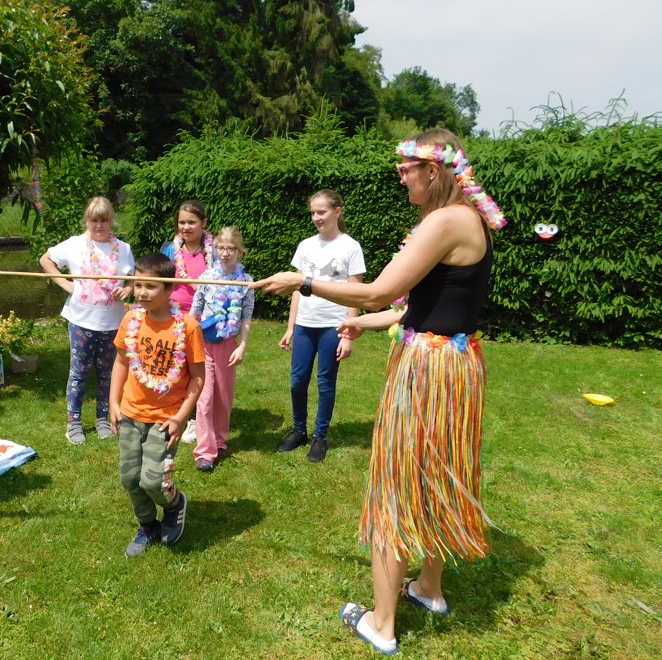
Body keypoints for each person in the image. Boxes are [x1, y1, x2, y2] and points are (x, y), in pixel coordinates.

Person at [255, 129, 506, 655]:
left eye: (406, 168)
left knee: (396, 482)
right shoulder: (467, 219)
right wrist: (365, 324)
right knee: (438, 476)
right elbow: (422, 308)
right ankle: (429, 588)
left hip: (428, 372)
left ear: (433, 169)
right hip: (453, 364)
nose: (400, 176)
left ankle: (382, 623)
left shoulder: (444, 220)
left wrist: (302, 282)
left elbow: (376, 292)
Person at [109, 253, 205, 557]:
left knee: (153, 481)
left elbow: (198, 378)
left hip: (166, 418)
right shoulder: (131, 320)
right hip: (130, 412)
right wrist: (113, 402)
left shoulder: (188, 327)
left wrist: (181, 417)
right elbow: (121, 362)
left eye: (151, 286)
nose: (142, 292)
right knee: (129, 478)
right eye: (138, 285)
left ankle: (174, 505)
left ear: (169, 288)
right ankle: (148, 525)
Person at [277, 190, 365, 463]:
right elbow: (296, 288)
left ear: (337, 212)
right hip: (305, 324)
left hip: (333, 326)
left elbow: (356, 292)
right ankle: (299, 430)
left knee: (325, 382)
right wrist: (291, 327)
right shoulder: (306, 246)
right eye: (313, 212)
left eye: (321, 212)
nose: (316, 217)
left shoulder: (351, 247)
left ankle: (320, 436)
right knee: (297, 381)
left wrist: (348, 334)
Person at [40, 197, 135, 444]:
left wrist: (127, 289)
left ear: (111, 221)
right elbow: (45, 260)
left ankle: (103, 419)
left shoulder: (123, 248)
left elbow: (133, 277)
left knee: (107, 373)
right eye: (94, 220)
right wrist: (65, 284)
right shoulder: (74, 244)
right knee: (78, 373)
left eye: (104, 220)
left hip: (112, 323)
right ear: (87, 221)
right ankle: (73, 422)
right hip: (81, 321)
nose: (99, 225)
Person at [188, 226, 255, 471]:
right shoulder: (207, 276)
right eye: (220, 248)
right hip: (204, 344)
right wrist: (184, 337)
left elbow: (246, 317)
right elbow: (194, 311)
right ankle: (204, 452)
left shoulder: (246, 282)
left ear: (240, 251)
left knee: (223, 397)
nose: (225, 253)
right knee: (205, 398)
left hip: (228, 344)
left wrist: (243, 345)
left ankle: (219, 440)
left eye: (230, 248)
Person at [160, 200, 216, 443]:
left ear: (204, 223)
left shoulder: (214, 251)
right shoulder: (170, 250)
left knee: (198, 367)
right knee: (174, 364)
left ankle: (194, 417)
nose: (185, 227)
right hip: (175, 315)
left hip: (204, 319)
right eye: (181, 222)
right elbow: (161, 280)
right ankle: (173, 410)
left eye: (191, 222)